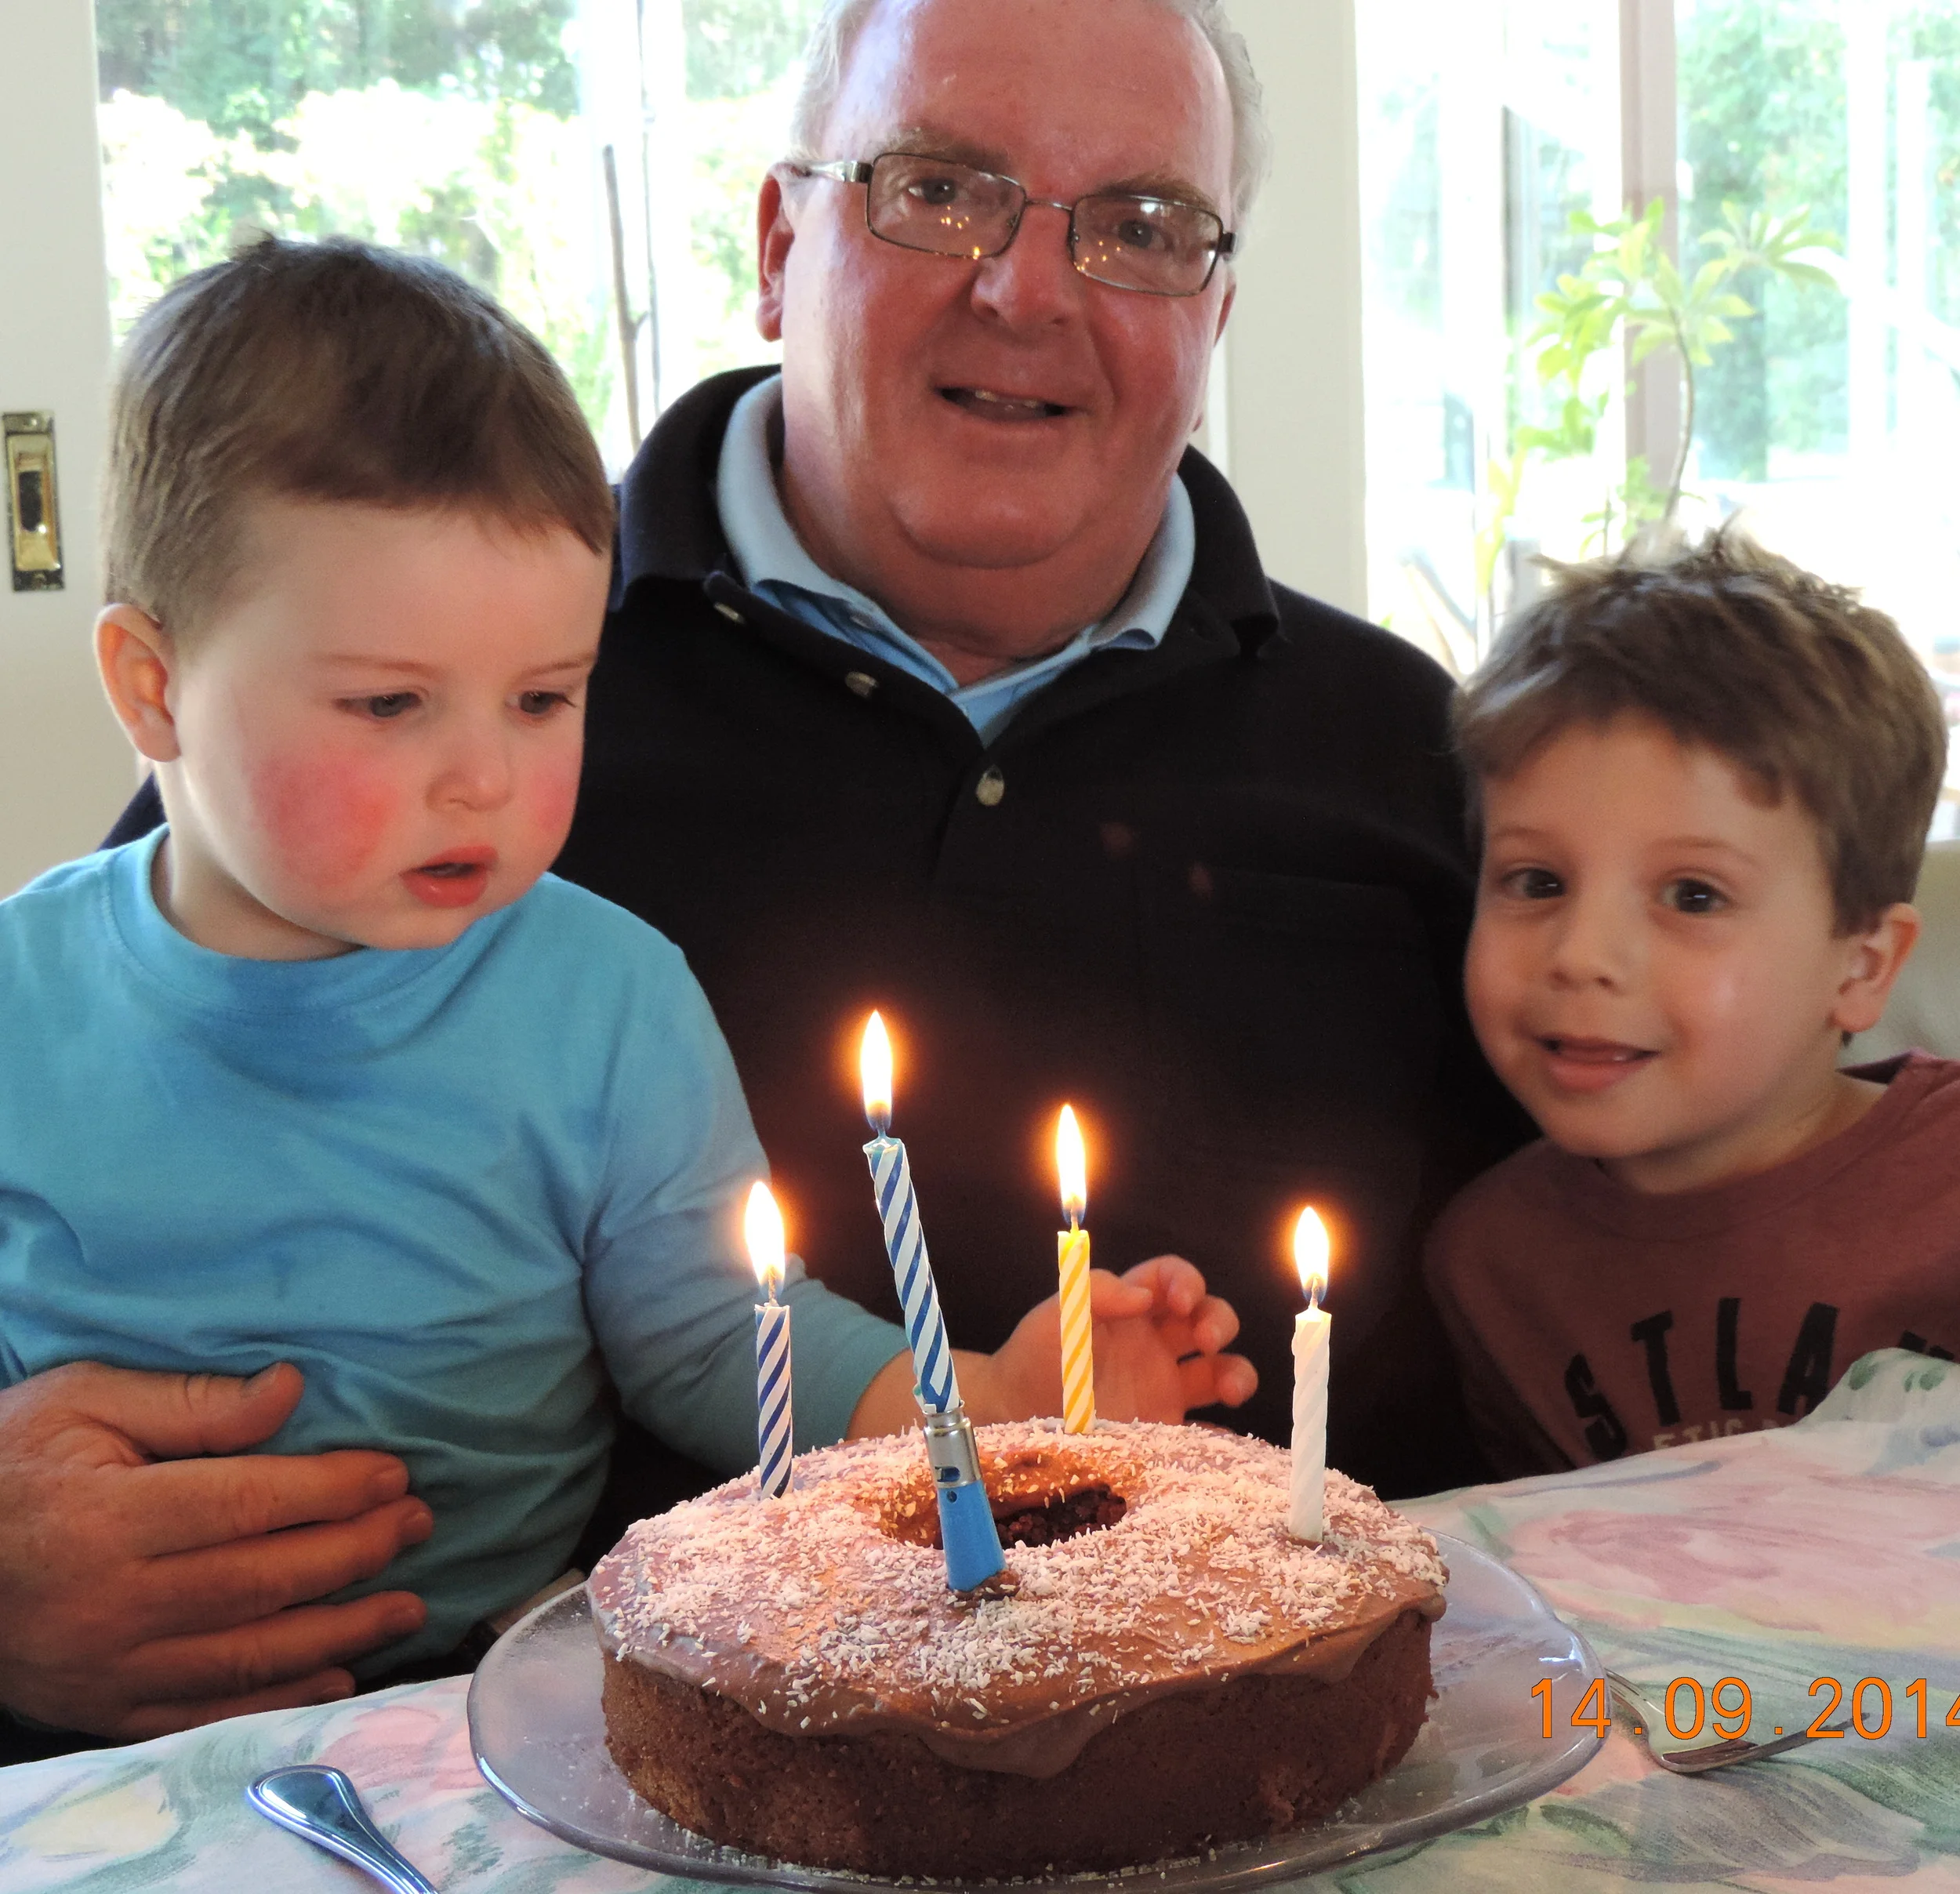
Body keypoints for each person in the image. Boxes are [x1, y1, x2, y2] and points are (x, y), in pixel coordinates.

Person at [103, 0, 1510, 1631]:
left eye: (1138, 226)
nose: (1029, 288)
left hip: (1294, 1704)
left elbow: (1617, 1238)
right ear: (779, 247)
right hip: (571, 1710)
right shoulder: (433, 692)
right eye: (940, 189)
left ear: (1213, 310)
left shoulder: (1403, 746)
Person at [0, 236, 1251, 1754]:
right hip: (68, 1750)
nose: (485, 774)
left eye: (544, 696)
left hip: (486, 1712)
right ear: (152, 687)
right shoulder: (21, 1000)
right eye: (390, 702)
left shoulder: (604, 998)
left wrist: (983, 1396)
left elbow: (715, 1333)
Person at [1426, 532, 1960, 1478]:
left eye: (1693, 895)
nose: (1581, 955)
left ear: (1862, 965)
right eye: (1537, 880)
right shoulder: (1491, 1266)